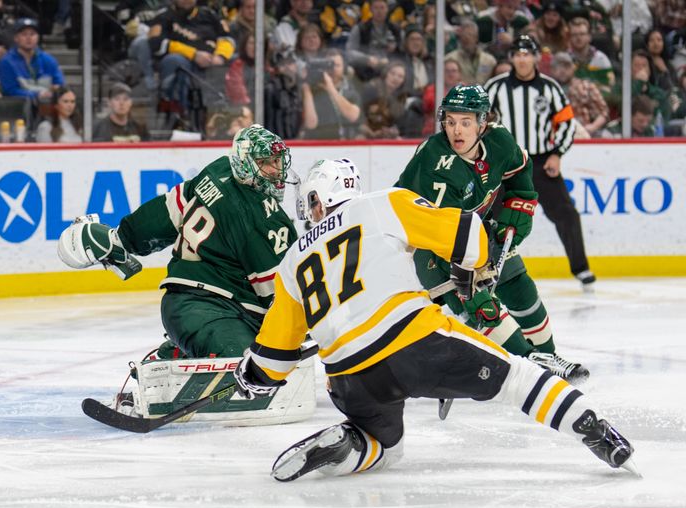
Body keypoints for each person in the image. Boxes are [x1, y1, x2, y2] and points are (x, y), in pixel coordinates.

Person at [232, 157, 635, 482]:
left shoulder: (291, 262)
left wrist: (253, 372)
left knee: (386, 448)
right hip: (414, 342)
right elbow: (470, 236)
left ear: (319, 200)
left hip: (348, 377)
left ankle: (352, 442)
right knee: (517, 377)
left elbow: (274, 358)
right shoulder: (382, 203)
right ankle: (596, 431)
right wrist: (467, 267)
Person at [58, 125, 309, 422]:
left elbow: (167, 212)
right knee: (254, 375)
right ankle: (169, 363)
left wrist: (123, 239)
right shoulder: (264, 219)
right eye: (266, 162)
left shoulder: (218, 169)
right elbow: (283, 297)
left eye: (278, 161)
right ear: (245, 162)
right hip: (206, 310)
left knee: (265, 362)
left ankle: (177, 353)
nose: (275, 170)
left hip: (190, 309)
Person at [397, 83, 589, 382]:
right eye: (450, 122)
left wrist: (519, 206)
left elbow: (520, 170)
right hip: (427, 248)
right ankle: (529, 368)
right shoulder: (438, 162)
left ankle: (549, 357)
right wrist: (469, 283)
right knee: (481, 305)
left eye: (465, 122)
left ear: (483, 122)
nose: (456, 131)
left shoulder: (499, 140)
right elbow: (438, 233)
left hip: (474, 230)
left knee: (519, 286)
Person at [485, 35, 596, 291]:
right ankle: (490, 269)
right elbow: (481, 123)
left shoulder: (550, 88)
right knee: (492, 218)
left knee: (566, 214)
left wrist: (558, 153)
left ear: (536, 57)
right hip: (507, 164)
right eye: (518, 54)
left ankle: (581, 268)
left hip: (541, 162)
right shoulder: (495, 87)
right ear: (511, 58)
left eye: (527, 53)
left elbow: (567, 123)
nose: (522, 59)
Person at [0, 18, 65, 104]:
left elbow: (59, 85)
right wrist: (37, 94)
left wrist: (56, 89)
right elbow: (9, 90)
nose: (29, 38)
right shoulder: (6, 62)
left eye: (32, 34)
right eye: (24, 34)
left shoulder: (49, 60)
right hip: (18, 107)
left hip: (47, 105)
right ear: (16, 38)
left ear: (38, 37)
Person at [302, 48, 361, 139]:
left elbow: (353, 116)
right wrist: (306, 87)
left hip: (344, 145)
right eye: (328, 65)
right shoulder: (312, 90)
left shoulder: (351, 90)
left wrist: (331, 88)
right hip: (316, 145)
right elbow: (310, 124)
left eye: (337, 65)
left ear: (344, 68)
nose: (332, 69)